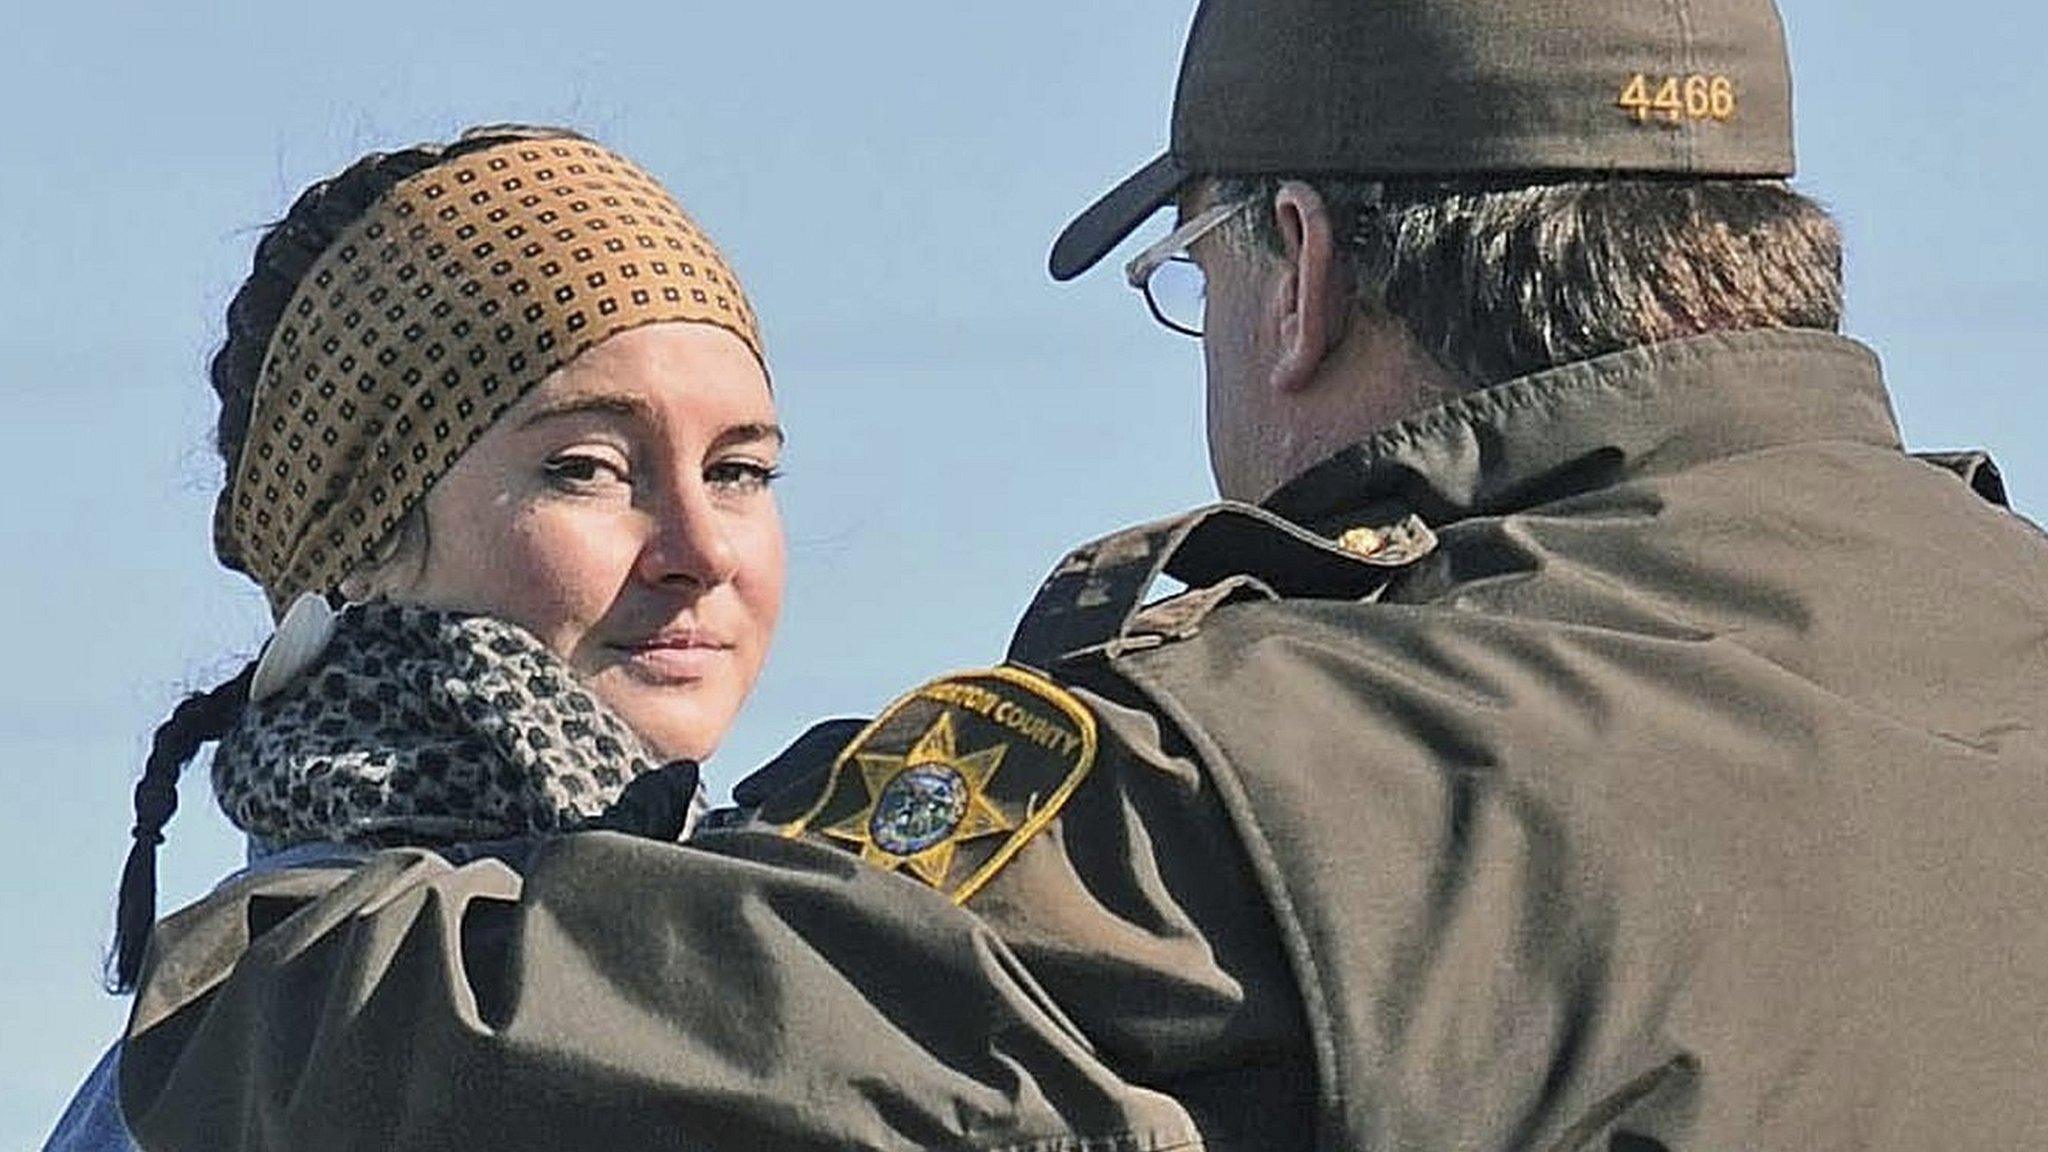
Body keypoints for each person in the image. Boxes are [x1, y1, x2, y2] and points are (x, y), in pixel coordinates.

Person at [96, 0, 2048, 1149]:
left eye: (1190, 277)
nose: (693, 552)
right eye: (589, 465)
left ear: (1296, 273)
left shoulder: (1297, 781)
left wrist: (298, 939)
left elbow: (318, 1050)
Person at [45, 125, 788, 1150]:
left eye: (738, 471)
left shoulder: (765, 939)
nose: (700, 549)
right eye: (587, 467)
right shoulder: (292, 1039)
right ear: (360, 543)